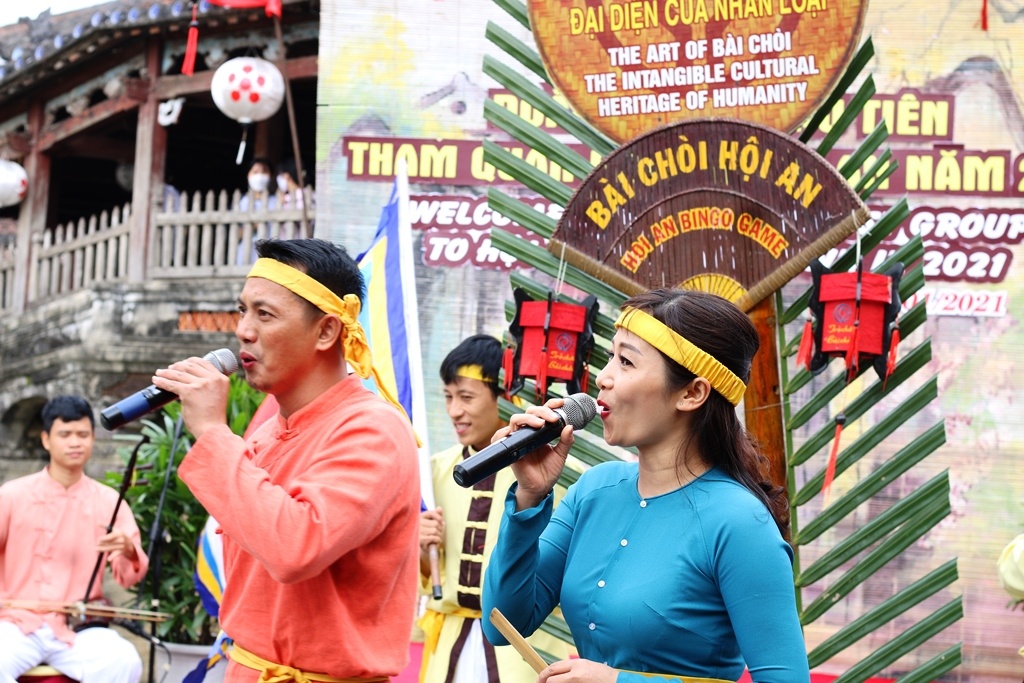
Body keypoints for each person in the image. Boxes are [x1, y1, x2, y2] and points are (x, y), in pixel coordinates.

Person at [482, 289, 810, 683]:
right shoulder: (594, 490)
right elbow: (501, 623)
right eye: (609, 357)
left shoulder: (739, 523)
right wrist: (529, 499)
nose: (602, 378)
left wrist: (619, 681)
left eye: (626, 361)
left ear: (692, 393)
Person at [152, 238, 420, 682]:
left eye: (265, 313)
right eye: (242, 311)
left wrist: (215, 433)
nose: (243, 330)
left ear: (326, 331)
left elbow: (295, 548)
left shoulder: (374, 431)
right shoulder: (267, 431)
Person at [418, 335, 572, 683]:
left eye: (466, 397)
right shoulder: (432, 472)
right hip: (449, 647)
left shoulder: (547, 476)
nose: (455, 410)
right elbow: (423, 579)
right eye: (448, 397)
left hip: (523, 651)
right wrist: (419, 548)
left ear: (505, 396)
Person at [0, 395, 148, 683]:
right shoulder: (11, 494)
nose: (75, 442)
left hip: (78, 627)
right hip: (16, 623)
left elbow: (129, 577)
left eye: (83, 434)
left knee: (124, 660)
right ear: (46, 440)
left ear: (93, 439)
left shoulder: (108, 501)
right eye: (64, 434)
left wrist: (129, 550)